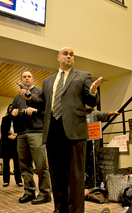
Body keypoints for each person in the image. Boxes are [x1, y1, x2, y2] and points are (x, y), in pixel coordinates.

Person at [20, 47, 102, 213]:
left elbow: (91, 101)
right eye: (66, 54)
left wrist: (93, 92)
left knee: (76, 176)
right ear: (58, 57)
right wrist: (29, 97)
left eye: (71, 55)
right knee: (57, 175)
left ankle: (76, 211)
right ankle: (60, 208)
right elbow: (42, 102)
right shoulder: (48, 81)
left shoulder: (83, 76)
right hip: (52, 131)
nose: (69, 56)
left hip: (74, 131)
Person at [12, 70, 51, 205]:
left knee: (41, 164)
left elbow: (47, 110)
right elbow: (12, 115)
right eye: (24, 77)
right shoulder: (17, 97)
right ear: (21, 80)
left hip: (37, 132)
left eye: (29, 76)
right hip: (21, 134)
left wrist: (35, 110)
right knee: (24, 165)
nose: (27, 78)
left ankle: (45, 192)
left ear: (33, 79)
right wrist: (13, 113)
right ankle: (29, 191)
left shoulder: (40, 93)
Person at [85, 105, 120, 188]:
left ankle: (96, 182)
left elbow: (105, 114)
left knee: (93, 160)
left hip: (94, 140)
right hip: (84, 140)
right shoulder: (80, 115)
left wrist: (113, 112)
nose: (88, 105)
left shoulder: (94, 113)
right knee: (85, 161)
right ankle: (87, 181)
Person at [0, 104, 23, 187]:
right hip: (6, 142)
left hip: (16, 141)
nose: (12, 109)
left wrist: (16, 135)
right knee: (6, 162)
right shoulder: (5, 119)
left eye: (13, 108)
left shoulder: (19, 118)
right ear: (8, 110)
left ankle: (19, 181)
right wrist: (9, 136)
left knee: (17, 162)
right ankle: (6, 181)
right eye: (10, 108)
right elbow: (3, 129)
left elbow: (21, 128)